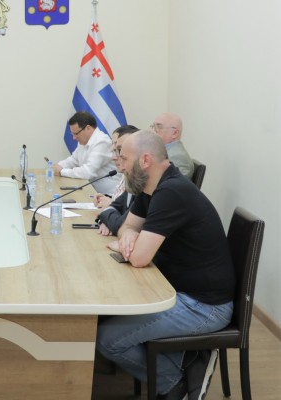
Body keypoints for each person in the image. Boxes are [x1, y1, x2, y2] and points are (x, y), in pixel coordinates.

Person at [96, 131, 234, 399]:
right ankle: (188, 359)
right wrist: (130, 235)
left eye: (125, 159)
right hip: (178, 290)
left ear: (145, 160)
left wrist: (128, 242)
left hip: (204, 307)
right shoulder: (150, 187)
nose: (120, 166)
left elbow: (139, 258)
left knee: (107, 340)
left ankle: (175, 381)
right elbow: (126, 227)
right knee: (106, 316)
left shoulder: (172, 192)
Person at [53, 111, 120, 195]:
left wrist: (61, 171)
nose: (74, 138)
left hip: (109, 194)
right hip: (91, 190)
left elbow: (87, 172)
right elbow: (73, 160)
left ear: (88, 128)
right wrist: (57, 166)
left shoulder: (102, 142)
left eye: (76, 134)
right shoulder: (83, 141)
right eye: (72, 134)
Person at [92, 125, 139, 236]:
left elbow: (120, 222)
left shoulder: (143, 185)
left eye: (119, 150)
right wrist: (105, 219)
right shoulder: (130, 178)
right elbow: (114, 208)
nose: (114, 157)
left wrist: (107, 216)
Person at [151, 112, 194, 178]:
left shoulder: (178, 157)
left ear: (175, 133)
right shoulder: (164, 151)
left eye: (159, 127)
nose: (153, 131)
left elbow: (173, 184)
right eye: (153, 126)